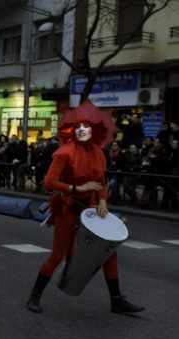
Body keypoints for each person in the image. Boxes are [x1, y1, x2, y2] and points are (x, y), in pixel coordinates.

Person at [26, 100, 144, 315]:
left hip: (90, 209)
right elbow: (50, 183)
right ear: (73, 130)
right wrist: (77, 186)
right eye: (78, 127)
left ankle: (117, 300)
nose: (82, 130)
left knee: (109, 253)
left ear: (94, 131)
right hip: (68, 207)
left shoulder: (98, 153)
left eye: (86, 127)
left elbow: (101, 181)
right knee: (58, 254)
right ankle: (34, 296)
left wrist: (102, 200)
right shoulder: (64, 152)